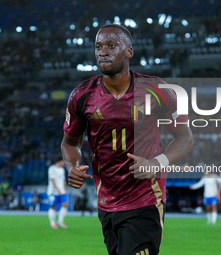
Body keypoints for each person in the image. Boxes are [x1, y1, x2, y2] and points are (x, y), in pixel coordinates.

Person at [61, 24, 193, 255]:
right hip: (107, 202)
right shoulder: (82, 96)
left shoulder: (157, 90)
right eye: (98, 47)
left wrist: (156, 163)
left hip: (145, 200)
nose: (103, 52)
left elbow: (185, 138)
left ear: (129, 51)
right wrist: (72, 166)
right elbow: (70, 142)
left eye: (111, 46)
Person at [47, 155, 68, 229]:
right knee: (53, 206)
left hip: (62, 191)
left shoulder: (62, 170)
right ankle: (53, 223)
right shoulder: (52, 168)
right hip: (53, 192)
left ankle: (60, 221)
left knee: (65, 204)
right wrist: (57, 189)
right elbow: (52, 180)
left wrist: (65, 190)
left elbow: (63, 181)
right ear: (60, 161)